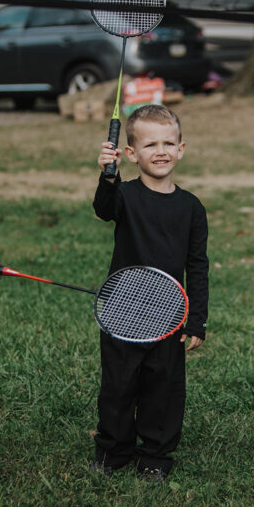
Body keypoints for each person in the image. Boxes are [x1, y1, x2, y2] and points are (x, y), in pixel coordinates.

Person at [92, 104, 209, 481]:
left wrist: (197, 320)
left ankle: (155, 456)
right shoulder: (125, 196)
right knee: (118, 387)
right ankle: (114, 451)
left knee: (163, 389)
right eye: (150, 145)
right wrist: (107, 176)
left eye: (168, 143)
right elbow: (103, 209)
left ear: (181, 148)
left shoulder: (192, 208)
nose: (160, 151)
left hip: (169, 315)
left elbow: (197, 265)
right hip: (122, 311)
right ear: (131, 154)